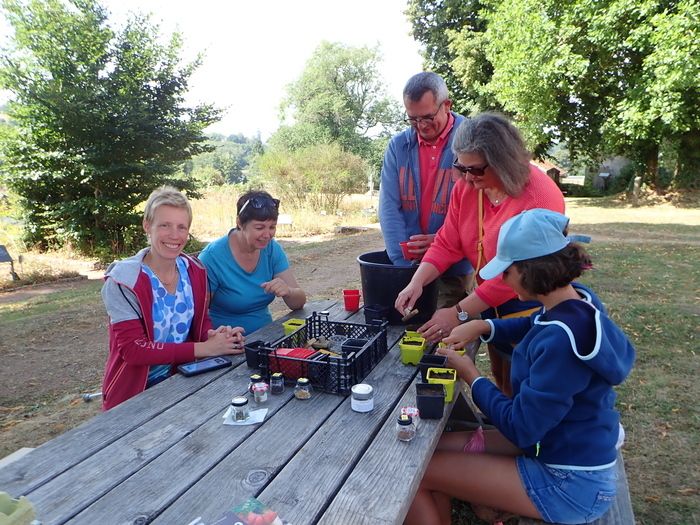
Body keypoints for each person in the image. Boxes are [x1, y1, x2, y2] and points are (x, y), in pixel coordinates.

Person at [405, 209, 636, 525]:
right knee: (426, 452)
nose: (501, 279)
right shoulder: (578, 301)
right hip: (560, 443)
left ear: (529, 271)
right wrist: (484, 326)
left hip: (569, 482)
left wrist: (470, 374)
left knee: (416, 474)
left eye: (506, 271)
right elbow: (536, 324)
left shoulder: (561, 343)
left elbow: (520, 427)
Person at [395, 112, 565, 395]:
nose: (467, 178)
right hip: (490, 303)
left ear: (504, 161)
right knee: (502, 374)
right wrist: (417, 281)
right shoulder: (468, 186)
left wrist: (459, 313)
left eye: (476, 170)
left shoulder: (539, 198)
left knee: (527, 383)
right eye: (461, 167)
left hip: (531, 305)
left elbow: (520, 273)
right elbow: (448, 241)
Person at [101, 186, 244, 410]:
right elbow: (133, 350)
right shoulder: (123, 280)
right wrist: (205, 349)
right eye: (165, 225)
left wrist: (215, 336)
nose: (174, 235)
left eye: (181, 227)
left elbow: (198, 322)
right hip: (133, 394)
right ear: (147, 226)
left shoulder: (194, 269)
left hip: (182, 382)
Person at [379, 72, 472, 308]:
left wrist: (445, 243)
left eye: (428, 118)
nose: (421, 126)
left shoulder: (472, 141)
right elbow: (389, 207)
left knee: (450, 335)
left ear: (447, 106)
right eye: (413, 119)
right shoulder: (398, 146)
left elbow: (480, 211)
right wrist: (403, 265)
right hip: (409, 268)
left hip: (457, 268)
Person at [198, 190, 306, 335]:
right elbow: (198, 315)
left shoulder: (272, 249)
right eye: (259, 227)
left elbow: (298, 303)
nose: (267, 235)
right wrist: (216, 337)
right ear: (240, 223)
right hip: (228, 342)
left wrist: (288, 291)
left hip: (266, 336)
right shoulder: (212, 258)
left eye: (272, 227)